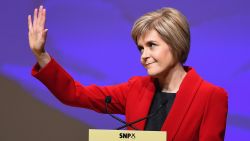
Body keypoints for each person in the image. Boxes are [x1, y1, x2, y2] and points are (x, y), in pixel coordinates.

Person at [28, 5, 228, 141]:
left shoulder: (211, 96)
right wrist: (42, 55)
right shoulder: (136, 88)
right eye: (141, 48)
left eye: (151, 45)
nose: (144, 55)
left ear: (176, 44)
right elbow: (74, 94)